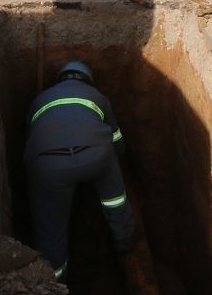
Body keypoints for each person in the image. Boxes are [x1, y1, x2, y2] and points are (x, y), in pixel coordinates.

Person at [24, 61, 136, 281]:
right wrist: (119, 165)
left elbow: (30, 140)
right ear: (88, 80)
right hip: (96, 156)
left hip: (50, 167)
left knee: (51, 229)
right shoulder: (97, 97)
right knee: (115, 200)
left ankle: (54, 285)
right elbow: (116, 139)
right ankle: (125, 241)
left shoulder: (38, 100)